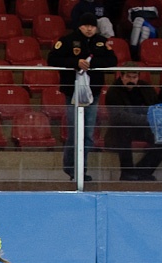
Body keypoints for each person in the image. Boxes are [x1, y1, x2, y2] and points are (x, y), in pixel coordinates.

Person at [47, 12, 118, 182]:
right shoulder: (66, 40)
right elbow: (52, 59)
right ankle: (71, 167)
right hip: (73, 93)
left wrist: (91, 64)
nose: (89, 29)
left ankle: (81, 169)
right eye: (86, 25)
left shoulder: (100, 41)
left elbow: (112, 60)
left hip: (92, 93)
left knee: (88, 133)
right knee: (74, 131)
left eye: (92, 26)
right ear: (79, 26)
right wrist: (75, 62)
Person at [105, 63, 162, 181]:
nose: (131, 80)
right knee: (122, 133)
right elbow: (119, 116)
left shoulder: (146, 88)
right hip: (122, 128)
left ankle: (142, 171)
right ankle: (127, 173)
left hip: (145, 127)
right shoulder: (113, 91)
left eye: (134, 77)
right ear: (122, 76)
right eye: (128, 77)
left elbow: (156, 106)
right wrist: (146, 119)